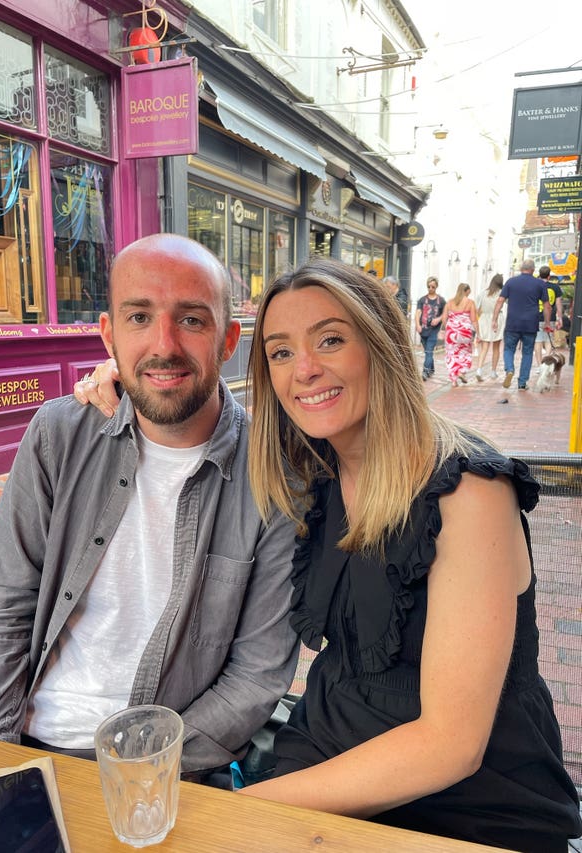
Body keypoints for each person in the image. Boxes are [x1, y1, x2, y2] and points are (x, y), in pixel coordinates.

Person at [239, 257, 581, 852]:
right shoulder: (317, 467)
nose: (305, 369)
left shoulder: (468, 491)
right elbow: (188, 418)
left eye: (330, 340)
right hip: (327, 750)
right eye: (281, 352)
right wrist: (117, 389)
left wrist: (239, 808)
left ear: (382, 345)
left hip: (469, 805)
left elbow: (451, 746)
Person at [0, 234, 299, 782]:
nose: (164, 344)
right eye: (139, 317)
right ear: (108, 334)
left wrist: (138, 777)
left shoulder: (276, 477)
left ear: (229, 339)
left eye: (191, 320)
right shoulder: (58, 434)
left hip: (167, 765)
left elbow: (257, 676)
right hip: (20, 737)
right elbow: (1, 602)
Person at [492, 258, 555, 391]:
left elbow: (500, 301)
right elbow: (547, 306)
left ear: (521, 269)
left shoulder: (511, 282)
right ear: (533, 270)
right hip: (530, 324)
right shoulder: (539, 284)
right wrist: (547, 323)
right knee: (527, 352)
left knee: (509, 349)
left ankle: (509, 369)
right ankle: (522, 383)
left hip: (512, 323)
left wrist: (494, 319)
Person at [441, 283, 478, 386]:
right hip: (465, 331)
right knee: (465, 353)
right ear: (466, 291)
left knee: (451, 354)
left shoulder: (449, 302)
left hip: (451, 332)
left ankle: (454, 380)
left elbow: (444, 318)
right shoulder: (470, 302)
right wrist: (478, 333)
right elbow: (474, 320)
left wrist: (449, 328)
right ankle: (461, 372)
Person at [474, 273, 505, 381]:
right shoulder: (502, 293)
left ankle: (479, 369)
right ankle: (493, 372)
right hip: (497, 319)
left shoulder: (483, 293)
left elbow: (477, 309)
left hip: (484, 319)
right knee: (496, 347)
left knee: (484, 347)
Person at [415, 276, 445, 380]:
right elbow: (418, 313)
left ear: (436, 287)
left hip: (434, 330)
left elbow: (445, 313)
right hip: (423, 330)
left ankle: (425, 371)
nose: (430, 288)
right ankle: (431, 369)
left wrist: (438, 319)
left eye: (433, 287)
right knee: (428, 351)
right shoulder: (422, 300)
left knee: (429, 350)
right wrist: (417, 325)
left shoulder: (441, 301)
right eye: (429, 286)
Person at [533, 265, 564, 367]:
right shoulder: (555, 287)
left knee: (538, 341)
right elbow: (558, 304)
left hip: (536, 317)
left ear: (539, 275)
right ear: (549, 276)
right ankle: (546, 363)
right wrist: (560, 318)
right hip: (551, 317)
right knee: (548, 340)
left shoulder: (535, 286)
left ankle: (539, 365)